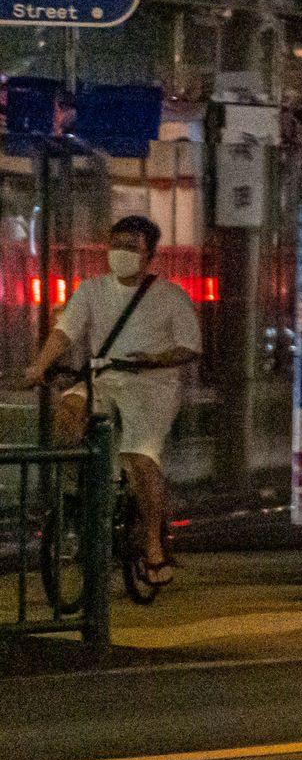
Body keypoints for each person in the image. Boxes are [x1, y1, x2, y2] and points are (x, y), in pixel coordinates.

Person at [24, 213, 200, 584]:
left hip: (151, 387)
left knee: (140, 458)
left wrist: (155, 359)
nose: (120, 253)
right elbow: (65, 332)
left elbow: (189, 347)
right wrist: (39, 366)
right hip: (102, 378)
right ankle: (80, 487)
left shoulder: (171, 297)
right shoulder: (91, 290)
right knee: (69, 410)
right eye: (115, 245)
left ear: (150, 255)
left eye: (131, 247)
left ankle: (153, 545)